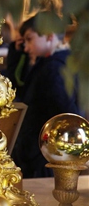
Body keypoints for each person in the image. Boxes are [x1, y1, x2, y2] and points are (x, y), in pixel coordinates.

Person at [11, 12, 81, 178]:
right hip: (41, 155)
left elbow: (65, 115)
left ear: (49, 36)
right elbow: (22, 91)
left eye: (29, 39)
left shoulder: (54, 68)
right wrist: (17, 53)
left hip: (45, 158)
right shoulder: (51, 64)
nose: (26, 47)